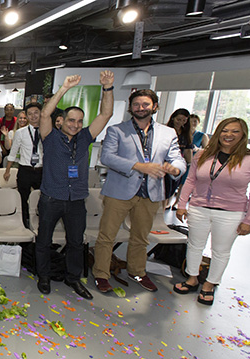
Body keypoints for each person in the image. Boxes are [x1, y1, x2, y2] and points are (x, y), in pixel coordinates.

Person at [93, 90, 186, 293]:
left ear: (155, 106)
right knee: (107, 236)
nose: (140, 108)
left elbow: (178, 158)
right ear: (130, 107)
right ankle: (101, 274)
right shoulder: (117, 130)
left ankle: (137, 271)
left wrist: (175, 168)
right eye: (136, 104)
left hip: (151, 193)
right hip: (119, 191)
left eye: (145, 104)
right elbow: (107, 157)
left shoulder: (167, 133)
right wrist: (138, 166)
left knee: (141, 237)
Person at [34, 71, 115, 300]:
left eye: (80, 121)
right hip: (51, 198)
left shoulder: (85, 137)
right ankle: (44, 277)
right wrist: (64, 89)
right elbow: (45, 113)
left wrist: (107, 87)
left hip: (76, 199)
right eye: (71, 120)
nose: (76, 125)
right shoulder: (50, 137)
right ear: (62, 121)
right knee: (44, 241)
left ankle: (73, 278)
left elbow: (106, 114)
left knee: (76, 242)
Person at [173, 117, 250, 305]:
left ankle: (209, 284)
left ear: (243, 135)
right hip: (199, 208)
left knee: (221, 251)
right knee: (194, 245)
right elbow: (191, 180)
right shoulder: (203, 155)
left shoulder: (247, 159)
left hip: (231, 213)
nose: (228, 135)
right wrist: (182, 204)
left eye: (234, 131)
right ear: (218, 133)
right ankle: (192, 278)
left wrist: (248, 220)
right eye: (225, 130)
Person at [4, 103, 44, 228]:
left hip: (41, 170)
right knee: (23, 200)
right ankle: (23, 225)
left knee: (42, 200)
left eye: (36, 113)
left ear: (41, 113)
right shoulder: (21, 132)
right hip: (25, 170)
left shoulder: (47, 131)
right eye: (30, 114)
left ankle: (40, 226)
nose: (33, 116)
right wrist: (8, 170)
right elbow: (13, 151)